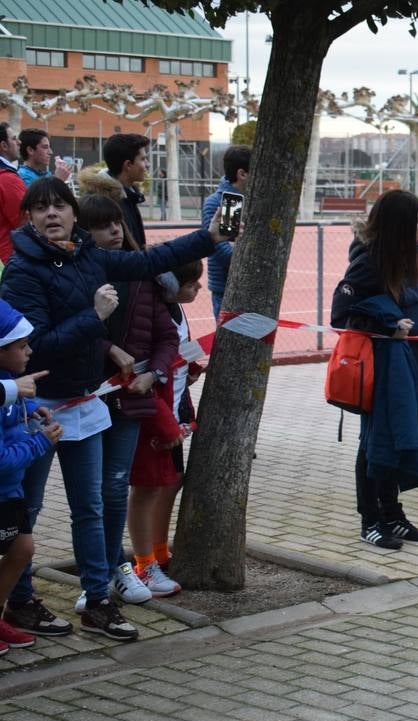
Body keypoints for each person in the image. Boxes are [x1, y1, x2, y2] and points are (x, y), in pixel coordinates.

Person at [0, 177, 226, 641]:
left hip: (86, 401)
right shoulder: (22, 271)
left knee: (91, 506)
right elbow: (37, 348)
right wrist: (95, 319)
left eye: (59, 206)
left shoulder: (89, 255)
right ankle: (21, 603)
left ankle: (98, 602)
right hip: (40, 409)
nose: (52, 215)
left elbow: (149, 260)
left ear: (71, 213)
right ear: (28, 219)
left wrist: (210, 237)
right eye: (41, 209)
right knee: (30, 510)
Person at [76, 178, 182, 607]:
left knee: (117, 486)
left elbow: (166, 336)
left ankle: (120, 569)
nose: (114, 232)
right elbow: (59, 334)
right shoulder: (76, 277)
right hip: (83, 399)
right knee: (90, 497)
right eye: (102, 226)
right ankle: (99, 578)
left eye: (117, 223)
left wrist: (153, 374)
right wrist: (108, 347)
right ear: (84, 232)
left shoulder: (143, 279)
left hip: (130, 400)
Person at [330, 190, 418, 551]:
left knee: (397, 437)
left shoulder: (413, 254)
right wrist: (386, 321)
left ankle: (392, 514)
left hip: (404, 360)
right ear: (399, 225)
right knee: (373, 443)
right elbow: (340, 312)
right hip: (377, 364)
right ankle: (370, 520)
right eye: (416, 218)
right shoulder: (368, 260)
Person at [126, 260, 205, 597]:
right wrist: (162, 420)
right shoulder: (150, 312)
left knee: (169, 483)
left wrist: (188, 369)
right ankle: (143, 565)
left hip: (173, 411)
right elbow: (143, 373)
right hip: (153, 416)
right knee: (145, 489)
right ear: (170, 283)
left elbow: (173, 355)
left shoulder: (175, 311)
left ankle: (158, 552)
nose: (198, 289)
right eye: (191, 283)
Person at [0, 302, 61, 654]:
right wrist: (41, 441)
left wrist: (28, 413)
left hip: (11, 491)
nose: (30, 351)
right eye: (22, 346)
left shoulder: (11, 383)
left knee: (22, 549)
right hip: (3, 488)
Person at [201, 144, 249, 317]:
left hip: (246, 287)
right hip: (226, 288)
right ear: (242, 174)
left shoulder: (246, 200)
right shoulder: (227, 202)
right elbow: (223, 250)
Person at [102, 133, 151, 248]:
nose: (147, 164)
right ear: (128, 165)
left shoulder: (128, 195)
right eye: (143, 159)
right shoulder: (107, 203)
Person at [0, 123, 25, 263]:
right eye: (14, 138)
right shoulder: (7, 179)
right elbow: (25, 221)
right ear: (4, 146)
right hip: (9, 259)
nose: (19, 142)